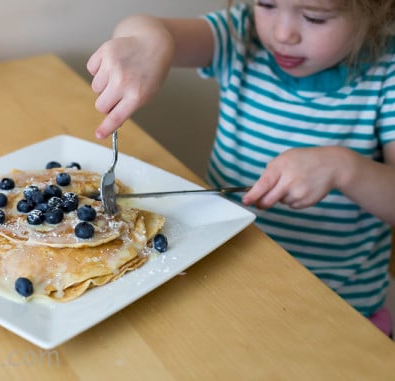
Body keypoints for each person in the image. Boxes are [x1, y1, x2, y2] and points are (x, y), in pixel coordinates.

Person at [87, 0, 395, 336]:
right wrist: (146, 41)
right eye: (266, 4)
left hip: (335, 313)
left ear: (377, 8)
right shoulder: (240, 33)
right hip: (224, 281)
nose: (282, 34)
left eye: (314, 17)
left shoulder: (387, 75)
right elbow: (146, 24)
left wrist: (345, 169)